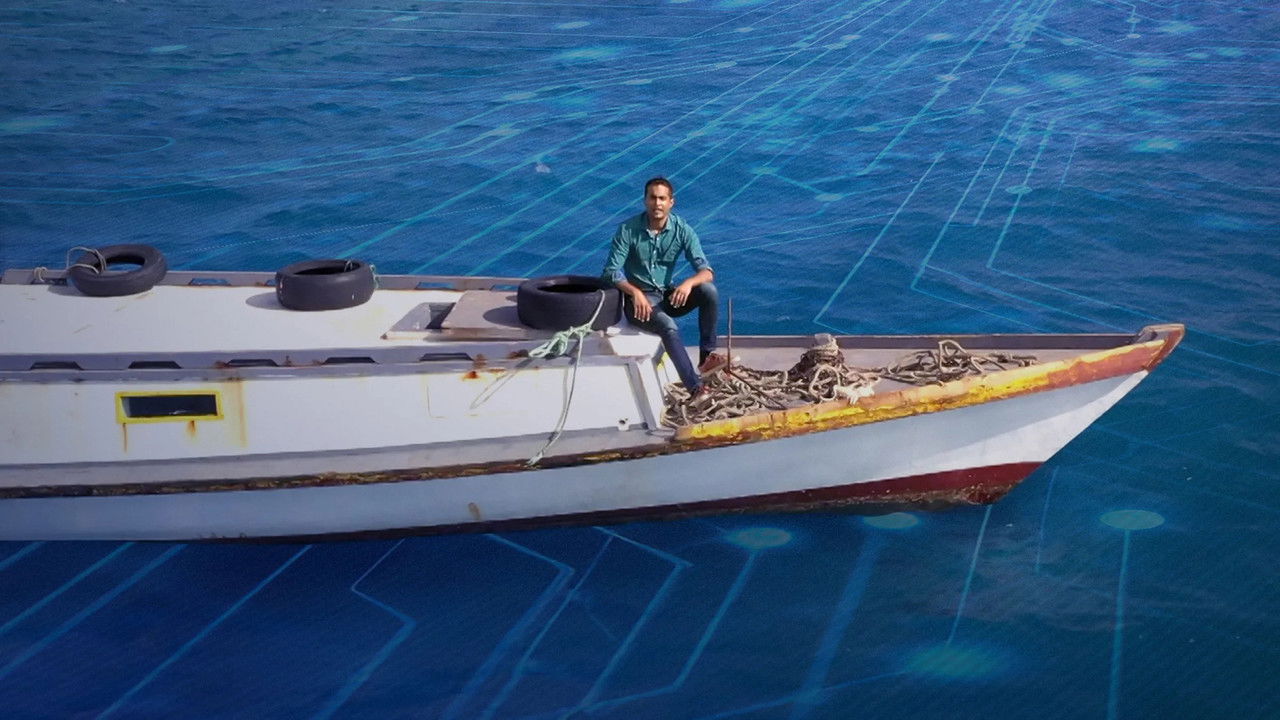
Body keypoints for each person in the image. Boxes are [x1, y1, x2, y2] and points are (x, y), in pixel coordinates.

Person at [602, 177, 725, 396]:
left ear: (671, 202)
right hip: (640, 304)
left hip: (667, 295)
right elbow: (610, 271)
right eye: (652, 198)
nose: (657, 203)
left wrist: (687, 284)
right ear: (645, 200)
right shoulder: (628, 230)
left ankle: (706, 358)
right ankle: (695, 389)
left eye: (662, 198)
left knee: (709, 292)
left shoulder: (682, 230)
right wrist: (635, 292)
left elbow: (707, 272)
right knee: (668, 327)